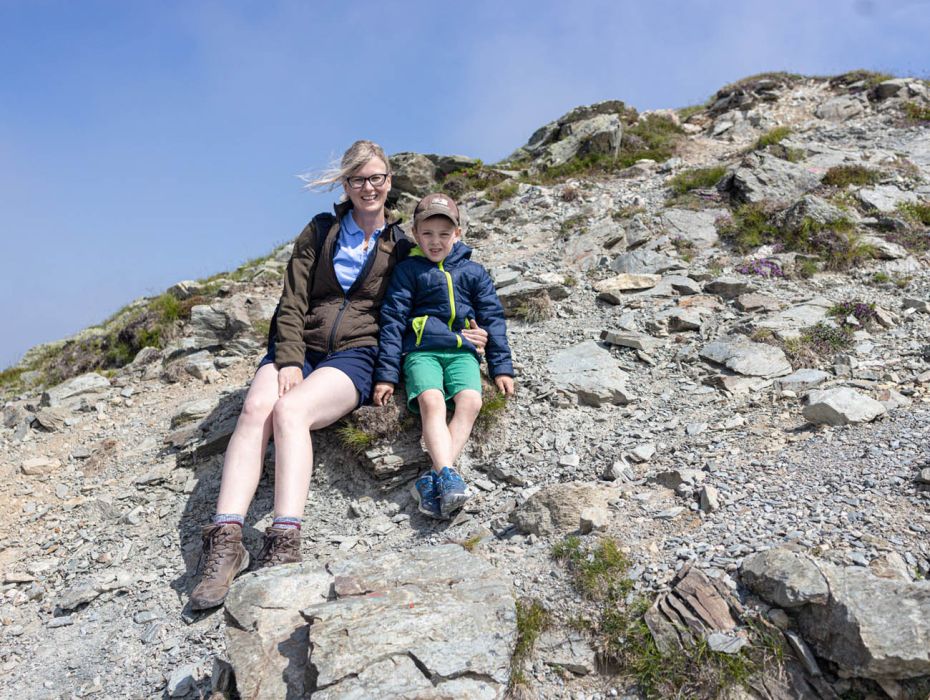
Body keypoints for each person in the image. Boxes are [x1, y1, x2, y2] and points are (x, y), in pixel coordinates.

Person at [189, 142, 490, 610]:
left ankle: (284, 540)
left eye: (376, 178)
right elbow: (292, 300)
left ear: (389, 181)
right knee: (254, 409)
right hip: (299, 345)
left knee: (290, 412)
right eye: (357, 180)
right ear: (344, 185)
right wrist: (288, 358)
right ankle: (227, 540)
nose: (367, 188)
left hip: (357, 355)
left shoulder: (403, 246)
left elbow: (430, 291)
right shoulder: (321, 231)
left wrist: (465, 334)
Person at [372, 193, 515, 519]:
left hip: (463, 355)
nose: (435, 242)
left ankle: (434, 477)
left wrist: (501, 367)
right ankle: (448, 476)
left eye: (444, 234)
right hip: (421, 353)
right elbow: (393, 321)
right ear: (415, 233)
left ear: (458, 234)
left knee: (471, 402)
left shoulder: (474, 272)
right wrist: (387, 375)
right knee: (432, 402)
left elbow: (492, 318)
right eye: (427, 234)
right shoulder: (409, 271)